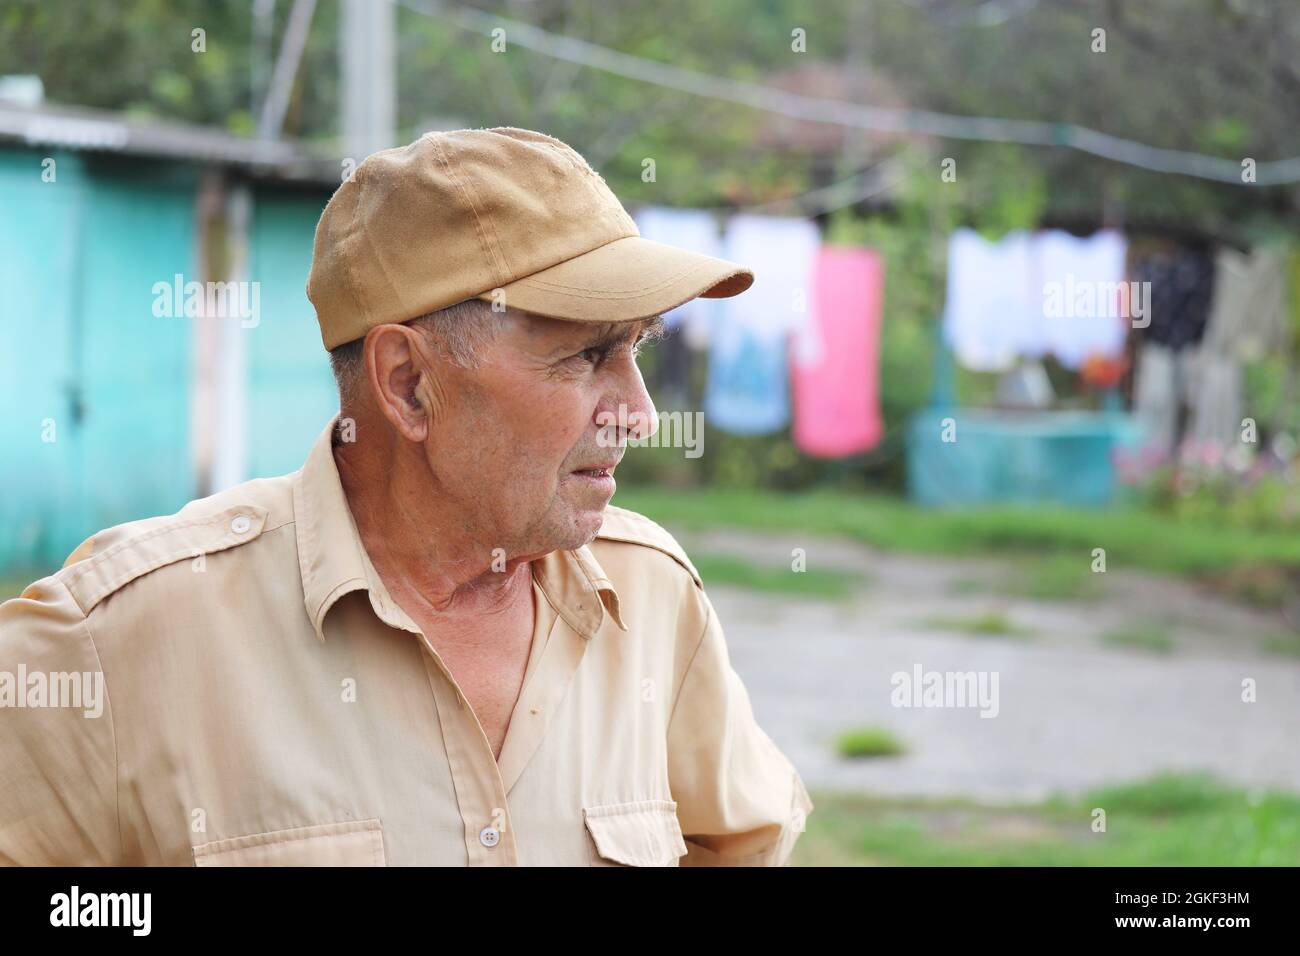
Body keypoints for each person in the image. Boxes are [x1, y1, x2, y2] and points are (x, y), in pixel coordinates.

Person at [0, 127, 813, 866]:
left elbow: (740, 842)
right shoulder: (121, 636)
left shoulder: (652, 599)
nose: (640, 413)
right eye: (590, 355)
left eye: (638, 350)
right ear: (408, 383)